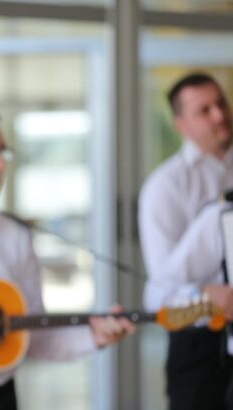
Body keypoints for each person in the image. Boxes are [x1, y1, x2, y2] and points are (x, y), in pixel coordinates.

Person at [0, 105, 136, 410]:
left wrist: (94, 337)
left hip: (3, 399)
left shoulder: (16, 236)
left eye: (1, 153)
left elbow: (34, 336)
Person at [139, 72, 233, 410]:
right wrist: (207, 299)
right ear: (180, 124)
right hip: (198, 348)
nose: (219, 115)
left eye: (221, 103)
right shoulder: (164, 187)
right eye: (204, 110)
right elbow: (160, 298)